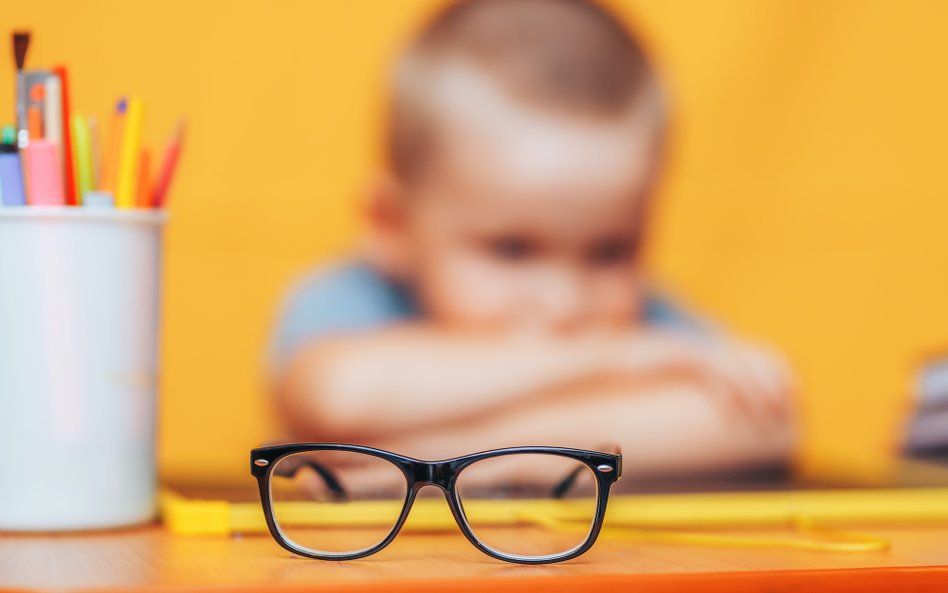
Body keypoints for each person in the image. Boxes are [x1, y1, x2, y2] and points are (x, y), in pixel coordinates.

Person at [270, 0, 795, 481]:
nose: (565, 304)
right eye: (512, 248)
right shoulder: (349, 299)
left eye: (611, 250)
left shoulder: (647, 322)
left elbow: (766, 427)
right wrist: (607, 360)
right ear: (393, 226)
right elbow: (339, 399)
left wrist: (467, 457)